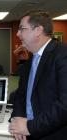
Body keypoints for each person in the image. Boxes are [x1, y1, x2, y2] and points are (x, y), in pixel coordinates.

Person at [9, 10, 67, 140]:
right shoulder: (30, 60)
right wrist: (18, 118)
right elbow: (21, 94)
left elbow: (64, 105)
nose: (18, 34)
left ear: (38, 30)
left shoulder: (62, 55)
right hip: (26, 132)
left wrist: (30, 127)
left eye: (22, 29)